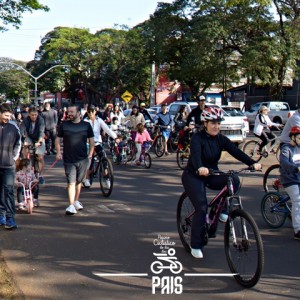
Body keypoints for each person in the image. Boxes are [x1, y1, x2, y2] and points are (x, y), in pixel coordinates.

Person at [181, 107, 261, 259]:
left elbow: (236, 152)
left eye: (218, 123)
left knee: (234, 180)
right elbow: (196, 155)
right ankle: (196, 245)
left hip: (212, 173)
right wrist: (200, 167)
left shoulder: (220, 138)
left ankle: (221, 210)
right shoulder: (197, 138)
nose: (216, 126)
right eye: (213, 123)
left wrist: (252, 163)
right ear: (205, 123)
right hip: (194, 175)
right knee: (202, 207)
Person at [55, 105, 95, 215]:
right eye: (68, 112)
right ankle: (71, 205)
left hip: (83, 159)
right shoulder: (64, 125)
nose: (69, 114)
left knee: (78, 182)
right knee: (71, 182)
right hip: (69, 159)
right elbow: (57, 140)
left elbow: (92, 141)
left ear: (78, 113)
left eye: (72, 112)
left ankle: (76, 200)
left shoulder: (86, 125)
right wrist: (58, 152)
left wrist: (90, 154)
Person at [82, 105, 119, 188]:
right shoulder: (85, 121)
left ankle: (106, 179)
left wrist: (115, 137)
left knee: (104, 159)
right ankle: (87, 178)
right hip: (88, 144)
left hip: (97, 142)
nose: (90, 113)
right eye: (89, 111)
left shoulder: (99, 120)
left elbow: (107, 130)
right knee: (90, 160)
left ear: (95, 112)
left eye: (92, 111)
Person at [0, 103, 21, 229]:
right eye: (6, 115)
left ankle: (10, 218)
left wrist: (13, 157)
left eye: (9, 116)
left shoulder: (13, 127)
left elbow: (18, 143)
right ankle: (1, 215)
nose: (8, 118)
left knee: (9, 191)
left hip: (8, 166)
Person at [279, 126, 300, 240]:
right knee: (297, 200)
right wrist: (295, 168)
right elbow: (285, 163)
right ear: (293, 137)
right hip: (289, 179)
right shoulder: (286, 149)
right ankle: (297, 230)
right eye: (299, 138)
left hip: (298, 178)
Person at [20, 106, 46, 184]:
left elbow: (41, 131)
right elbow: (22, 130)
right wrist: (24, 140)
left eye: (35, 115)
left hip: (39, 138)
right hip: (29, 137)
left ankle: (41, 175)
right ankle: (26, 172)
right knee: (25, 151)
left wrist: (39, 141)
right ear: (29, 114)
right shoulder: (25, 120)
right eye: (32, 115)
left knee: (40, 157)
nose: (34, 116)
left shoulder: (41, 120)